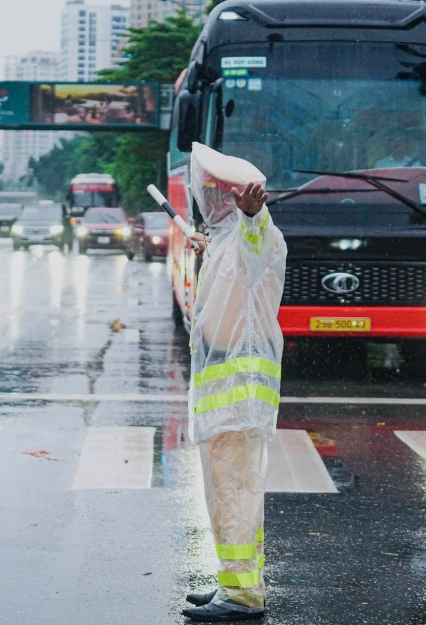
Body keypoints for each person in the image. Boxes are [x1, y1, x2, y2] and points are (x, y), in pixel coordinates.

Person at [182, 143, 287, 622]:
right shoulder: (224, 240)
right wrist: (211, 247)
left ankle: (243, 598)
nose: (209, 200)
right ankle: (236, 582)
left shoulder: (258, 233)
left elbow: (255, 249)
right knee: (223, 492)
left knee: (236, 493)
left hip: (239, 397)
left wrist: (250, 217)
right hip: (223, 396)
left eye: (214, 192)